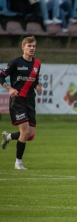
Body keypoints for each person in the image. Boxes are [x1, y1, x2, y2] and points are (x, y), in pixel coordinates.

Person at [0, 36, 42, 170]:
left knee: (30, 135)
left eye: (34, 46)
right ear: (23, 47)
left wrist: (37, 86)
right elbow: (1, 76)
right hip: (18, 101)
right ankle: (18, 163)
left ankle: (9, 136)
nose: (32, 48)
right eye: (29, 46)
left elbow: (34, 79)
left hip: (30, 100)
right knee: (24, 132)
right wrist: (10, 88)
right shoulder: (15, 62)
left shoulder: (37, 64)